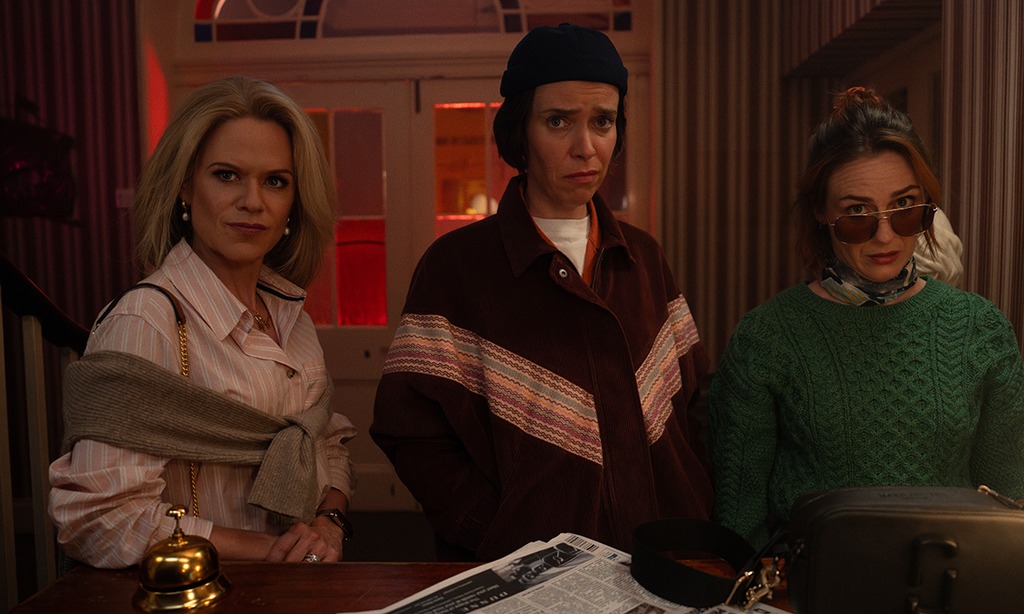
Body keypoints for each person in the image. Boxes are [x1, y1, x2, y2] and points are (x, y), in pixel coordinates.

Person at [370, 23, 713, 561]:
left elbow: (694, 405)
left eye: (602, 122)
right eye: (558, 121)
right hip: (520, 576)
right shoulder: (457, 267)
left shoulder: (643, 257)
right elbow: (411, 433)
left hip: (662, 560)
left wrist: (697, 509)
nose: (585, 147)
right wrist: (497, 534)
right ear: (520, 133)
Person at [48, 76, 357, 568]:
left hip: (294, 592)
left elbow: (323, 442)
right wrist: (268, 551)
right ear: (185, 188)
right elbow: (98, 518)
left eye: (275, 181)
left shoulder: (292, 319)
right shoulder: (145, 321)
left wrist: (327, 524)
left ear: (293, 206)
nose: (252, 201)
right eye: (227, 175)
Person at [708, 86, 1024, 548]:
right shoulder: (768, 338)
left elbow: (1009, 503)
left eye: (903, 208)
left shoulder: (981, 329)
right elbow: (740, 518)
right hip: (814, 588)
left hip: (949, 585)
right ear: (821, 212)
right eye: (857, 212)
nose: (884, 236)